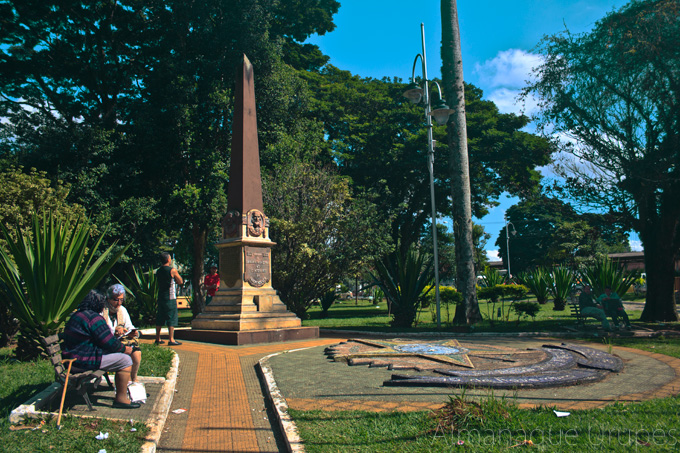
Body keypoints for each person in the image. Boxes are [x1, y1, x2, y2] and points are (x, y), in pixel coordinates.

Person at [62, 291, 140, 409]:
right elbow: (108, 342)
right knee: (125, 360)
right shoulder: (94, 318)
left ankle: (125, 392)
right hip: (82, 361)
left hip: (73, 357)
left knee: (120, 356)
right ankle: (121, 399)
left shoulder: (77, 315)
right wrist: (124, 349)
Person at [103, 284, 142, 382]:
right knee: (126, 353)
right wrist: (115, 332)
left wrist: (132, 332)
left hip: (121, 341)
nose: (119, 303)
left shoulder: (122, 310)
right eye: (116, 300)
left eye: (121, 299)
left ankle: (134, 378)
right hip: (107, 344)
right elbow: (101, 332)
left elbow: (129, 326)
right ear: (109, 298)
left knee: (136, 352)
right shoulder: (102, 311)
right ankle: (125, 381)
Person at [155, 252, 183, 346]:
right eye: (170, 258)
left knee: (160, 317)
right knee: (171, 317)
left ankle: (157, 338)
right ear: (168, 260)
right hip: (170, 297)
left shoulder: (158, 271)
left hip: (161, 296)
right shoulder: (172, 270)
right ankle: (171, 339)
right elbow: (180, 281)